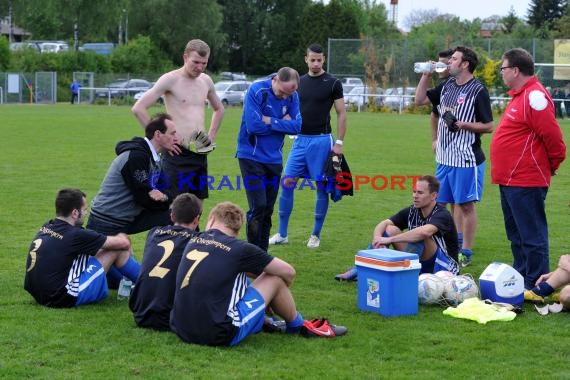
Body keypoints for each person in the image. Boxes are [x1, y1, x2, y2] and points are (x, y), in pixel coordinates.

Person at [170, 202, 347, 346]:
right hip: (218, 333)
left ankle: (265, 319)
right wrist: (274, 294)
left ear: (210, 220)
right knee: (275, 278)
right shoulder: (240, 248)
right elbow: (289, 272)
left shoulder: (194, 240)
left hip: (180, 327)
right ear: (238, 232)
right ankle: (299, 326)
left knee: (243, 280)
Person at [490, 48, 566, 290]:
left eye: (503, 68)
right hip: (510, 180)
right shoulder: (520, 95)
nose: (501, 73)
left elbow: (555, 140)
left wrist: (548, 168)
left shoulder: (535, 97)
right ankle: (521, 278)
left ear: (515, 70)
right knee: (516, 235)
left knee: (531, 236)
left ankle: (538, 284)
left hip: (526, 180)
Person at [415, 46, 494, 268]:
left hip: (466, 159)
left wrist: (463, 125)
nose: (449, 62)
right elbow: (419, 100)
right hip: (444, 159)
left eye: (454, 59)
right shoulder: (447, 85)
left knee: (466, 205)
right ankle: (447, 246)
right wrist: (425, 75)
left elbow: (489, 126)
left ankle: (465, 252)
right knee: (439, 205)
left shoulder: (478, 90)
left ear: (465, 64)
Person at [268, 43, 347, 249]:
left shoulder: (333, 83)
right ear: (306, 59)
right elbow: (288, 107)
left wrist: (339, 142)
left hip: (322, 141)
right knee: (286, 183)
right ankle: (282, 234)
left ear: (324, 60)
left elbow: (341, 113)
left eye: (319, 60)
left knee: (321, 188)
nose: (315, 63)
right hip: (300, 140)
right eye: (312, 59)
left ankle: (315, 235)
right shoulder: (299, 83)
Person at [132, 39, 224, 202]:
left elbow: (219, 109)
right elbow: (138, 108)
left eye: (204, 63)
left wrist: (211, 136)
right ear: (185, 57)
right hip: (177, 152)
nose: (200, 67)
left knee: (197, 205)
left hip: (200, 152)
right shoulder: (170, 79)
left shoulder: (206, 80)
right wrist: (161, 140)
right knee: (173, 205)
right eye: (195, 62)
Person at [24, 188, 140, 308]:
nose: (85, 213)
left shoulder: (48, 226)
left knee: (102, 249)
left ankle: (130, 284)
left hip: (38, 292)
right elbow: (123, 244)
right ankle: (150, 283)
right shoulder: (76, 235)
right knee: (117, 249)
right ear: (75, 213)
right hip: (61, 297)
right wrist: (123, 236)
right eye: (84, 210)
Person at [335, 175, 459, 281]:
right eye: (414, 191)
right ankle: (360, 269)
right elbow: (384, 223)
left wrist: (389, 240)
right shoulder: (412, 210)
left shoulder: (442, 214)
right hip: (422, 263)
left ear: (433, 196)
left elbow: (425, 232)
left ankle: (400, 273)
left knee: (420, 236)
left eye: (420, 193)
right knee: (390, 229)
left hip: (444, 268)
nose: (415, 196)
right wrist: (378, 238)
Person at [236, 67, 302, 251]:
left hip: (274, 159)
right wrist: (282, 123)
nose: (284, 97)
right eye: (282, 91)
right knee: (258, 207)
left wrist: (270, 120)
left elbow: (297, 126)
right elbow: (253, 126)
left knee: (268, 210)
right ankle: (251, 253)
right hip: (251, 155)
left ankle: (262, 255)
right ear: (276, 80)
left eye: (289, 93)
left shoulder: (292, 95)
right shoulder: (257, 90)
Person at [87, 113, 178, 236]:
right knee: (174, 214)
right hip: (105, 220)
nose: (176, 138)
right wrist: (163, 198)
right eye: (172, 133)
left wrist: (164, 197)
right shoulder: (136, 157)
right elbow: (143, 198)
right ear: (158, 135)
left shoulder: (156, 158)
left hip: (126, 219)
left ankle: (164, 253)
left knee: (179, 213)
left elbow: (169, 190)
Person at [129, 193, 201, 330]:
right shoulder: (197, 241)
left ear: (172, 216)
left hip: (140, 313)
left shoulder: (154, 232)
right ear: (196, 220)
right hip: (171, 318)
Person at [429, 49, 453, 154]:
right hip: (444, 151)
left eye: (442, 66)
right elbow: (435, 114)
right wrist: (435, 140)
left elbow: (486, 125)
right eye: (438, 65)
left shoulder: (472, 87)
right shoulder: (442, 87)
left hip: (463, 153)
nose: (439, 69)